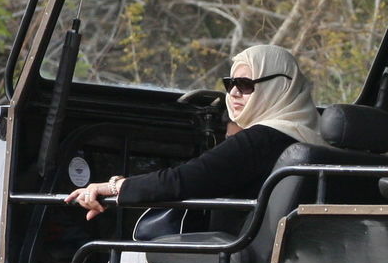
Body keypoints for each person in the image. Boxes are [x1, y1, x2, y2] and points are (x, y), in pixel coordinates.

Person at [65, 44, 326, 218]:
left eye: (246, 84)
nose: (234, 92)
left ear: (281, 87)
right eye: (230, 83)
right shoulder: (317, 140)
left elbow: (181, 181)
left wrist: (114, 186)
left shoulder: (262, 139)